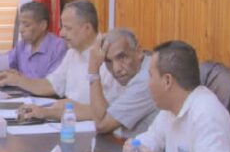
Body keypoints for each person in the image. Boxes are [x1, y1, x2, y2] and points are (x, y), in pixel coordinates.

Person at [132, 40, 230, 152]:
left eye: (151, 76)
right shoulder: (170, 109)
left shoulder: (207, 112)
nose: (148, 84)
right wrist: (136, 147)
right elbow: (153, 137)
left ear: (167, 81)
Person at [18, 28, 158, 136]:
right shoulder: (129, 73)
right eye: (108, 61)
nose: (116, 69)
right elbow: (99, 112)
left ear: (139, 51)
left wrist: (93, 70)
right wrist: (46, 112)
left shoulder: (145, 80)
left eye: (122, 57)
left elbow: (101, 123)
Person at [0, 0, 100, 104]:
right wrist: (17, 80)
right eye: (62, 27)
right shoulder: (72, 53)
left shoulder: (106, 55)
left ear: (87, 28)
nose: (61, 33)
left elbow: (100, 110)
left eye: (68, 28)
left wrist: (52, 110)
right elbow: (51, 85)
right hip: (67, 112)